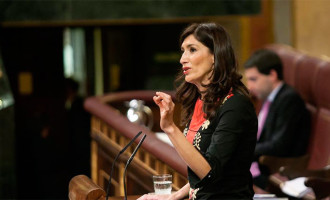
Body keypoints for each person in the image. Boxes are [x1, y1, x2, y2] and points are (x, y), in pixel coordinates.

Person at [138, 23, 258, 200]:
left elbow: (210, 172)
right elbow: (204, 167)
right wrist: (176, 195)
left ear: (215, 56)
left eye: (192, 50)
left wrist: (170, 128)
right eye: (183, 51)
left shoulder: (236, 105)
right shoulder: (200, 101)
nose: (183, 59)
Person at [244, 49, 311, 189]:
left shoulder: (289, 99)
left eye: (253, 79)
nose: (249, 86)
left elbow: (278, 145)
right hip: (261, 164)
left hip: (278, 169)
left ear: (272, 75)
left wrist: (244, 150)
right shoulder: (268, 97)